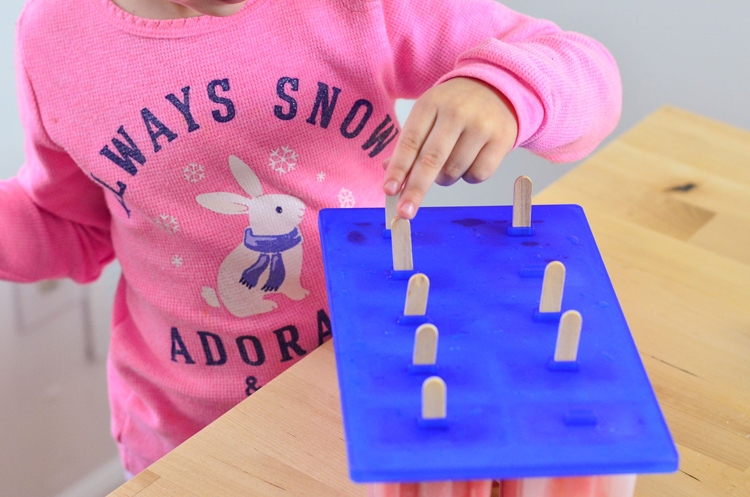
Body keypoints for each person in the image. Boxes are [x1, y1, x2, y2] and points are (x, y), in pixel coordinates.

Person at [1, 0, 621, 477]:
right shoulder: (54, 35)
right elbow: (73, 227)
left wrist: (506, 88)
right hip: (181, 433)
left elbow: (585, 72)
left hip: (371, 404)